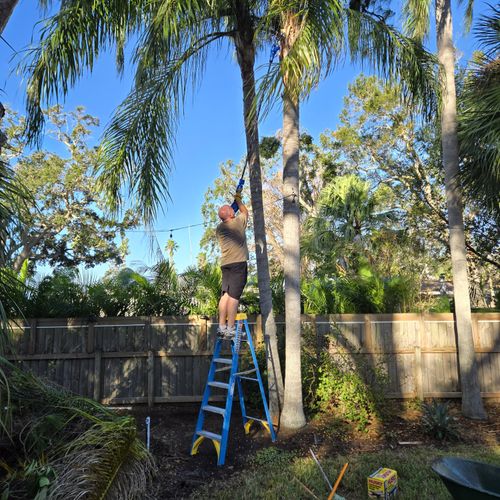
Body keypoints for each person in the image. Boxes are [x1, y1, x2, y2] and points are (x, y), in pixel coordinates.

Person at [216, 191, 249, 339]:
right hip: (238, 264)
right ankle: (230, 329)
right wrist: (238, 200)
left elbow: (229, 214)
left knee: (225, 295)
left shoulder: (220, 228)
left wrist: (232, 206)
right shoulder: (237, 222)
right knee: (234, 297)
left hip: (226, 265)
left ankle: (222, 326)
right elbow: (244, 211)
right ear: (231, 214)